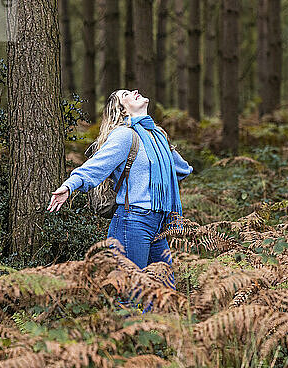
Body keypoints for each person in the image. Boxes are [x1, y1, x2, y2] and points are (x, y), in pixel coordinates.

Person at [47, 89, 193, 283]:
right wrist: (70, 186)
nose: (134, 91)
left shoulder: (157, 136)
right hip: (132, 222)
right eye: (126, 94)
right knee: (131, 290)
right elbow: (96, 166)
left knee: (164, 291)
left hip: (158, 223)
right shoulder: (124, 136)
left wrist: (162, 145)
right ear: (122, 110)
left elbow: (182, 170)